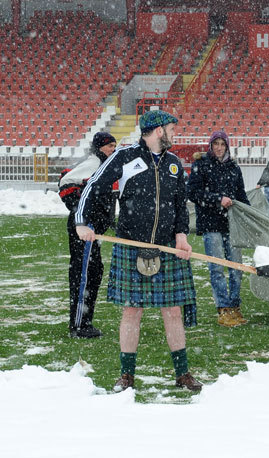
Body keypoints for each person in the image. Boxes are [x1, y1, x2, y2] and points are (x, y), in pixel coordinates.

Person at [74, 109, 202, 392]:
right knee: (132, 311)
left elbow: (181, 204)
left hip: (167, 247)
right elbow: (93, 187)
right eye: (172, 128)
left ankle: (182, 374)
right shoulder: (125, 157)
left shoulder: (173, 163)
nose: (174, 133)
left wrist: (182, 236)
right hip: (132, 246)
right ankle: (126, 376)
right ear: (158, 131)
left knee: (173, 311)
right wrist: (81, 222)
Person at [187, 131, 250, 327]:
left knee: (236, 268)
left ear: (227, 146)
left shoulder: (234, 167)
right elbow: (193, 192)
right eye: (216, 143)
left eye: (223, 144)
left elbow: (240, 194)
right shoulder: (201, 165)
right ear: (211, 145)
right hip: (210, 224)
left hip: (231, 225)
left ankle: (235, 306)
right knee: (216, 268)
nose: (220, 147)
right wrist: (217, 200)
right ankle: (223, 309)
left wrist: (248, 215)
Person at [58, 132, 117, 338]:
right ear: (100, 147)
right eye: (110, 146)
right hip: (84, 229)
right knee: (83, 276)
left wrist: (109, 221)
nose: (113, 149)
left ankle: (85, 321)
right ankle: (79, 325)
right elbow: (65, 181)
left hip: (94, 231)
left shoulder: (104, 166)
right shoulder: (93, 163)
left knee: (94, 272)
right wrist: (80, 212)